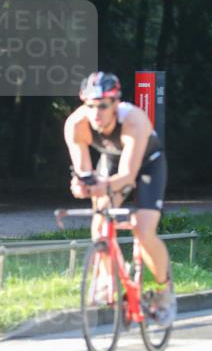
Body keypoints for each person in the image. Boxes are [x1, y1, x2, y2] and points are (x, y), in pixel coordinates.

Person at [63, 71, 176, 326]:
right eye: (90, 106)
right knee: (100, 219)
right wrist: (82, 185)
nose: (96, 113)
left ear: (115, 103)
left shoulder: (134, 120)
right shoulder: (76, 125)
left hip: (147, 164)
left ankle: (164, 289)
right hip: (112, 160)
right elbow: (85, 173)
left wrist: (100, 185)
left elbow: (127, 176)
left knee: (143, 230)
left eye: (103, 106)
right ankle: (106, 278)